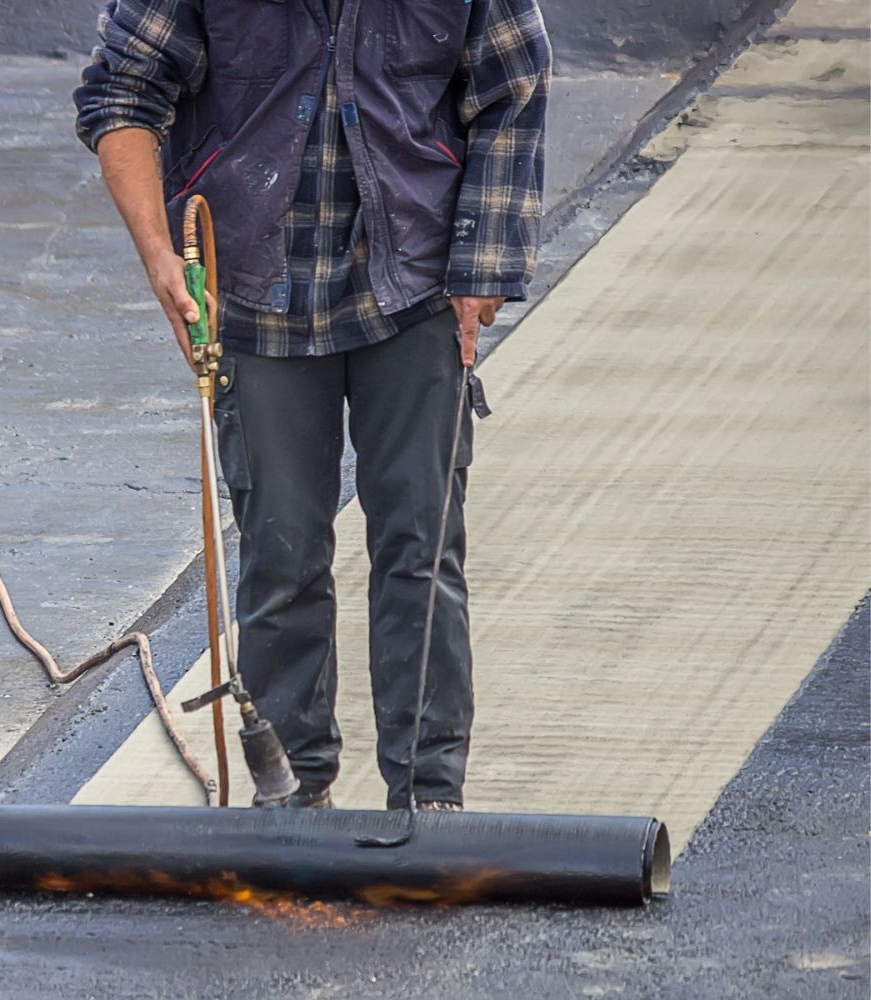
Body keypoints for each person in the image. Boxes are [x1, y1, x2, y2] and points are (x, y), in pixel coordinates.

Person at [74, 0, 551, 809]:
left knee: (420, 549)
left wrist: (483, 262)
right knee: (282, 551)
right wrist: (160, 256)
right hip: (255, 294)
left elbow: (515, 84)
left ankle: (429, 801)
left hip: (414, 285)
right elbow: (123, 92)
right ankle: (291, 794)